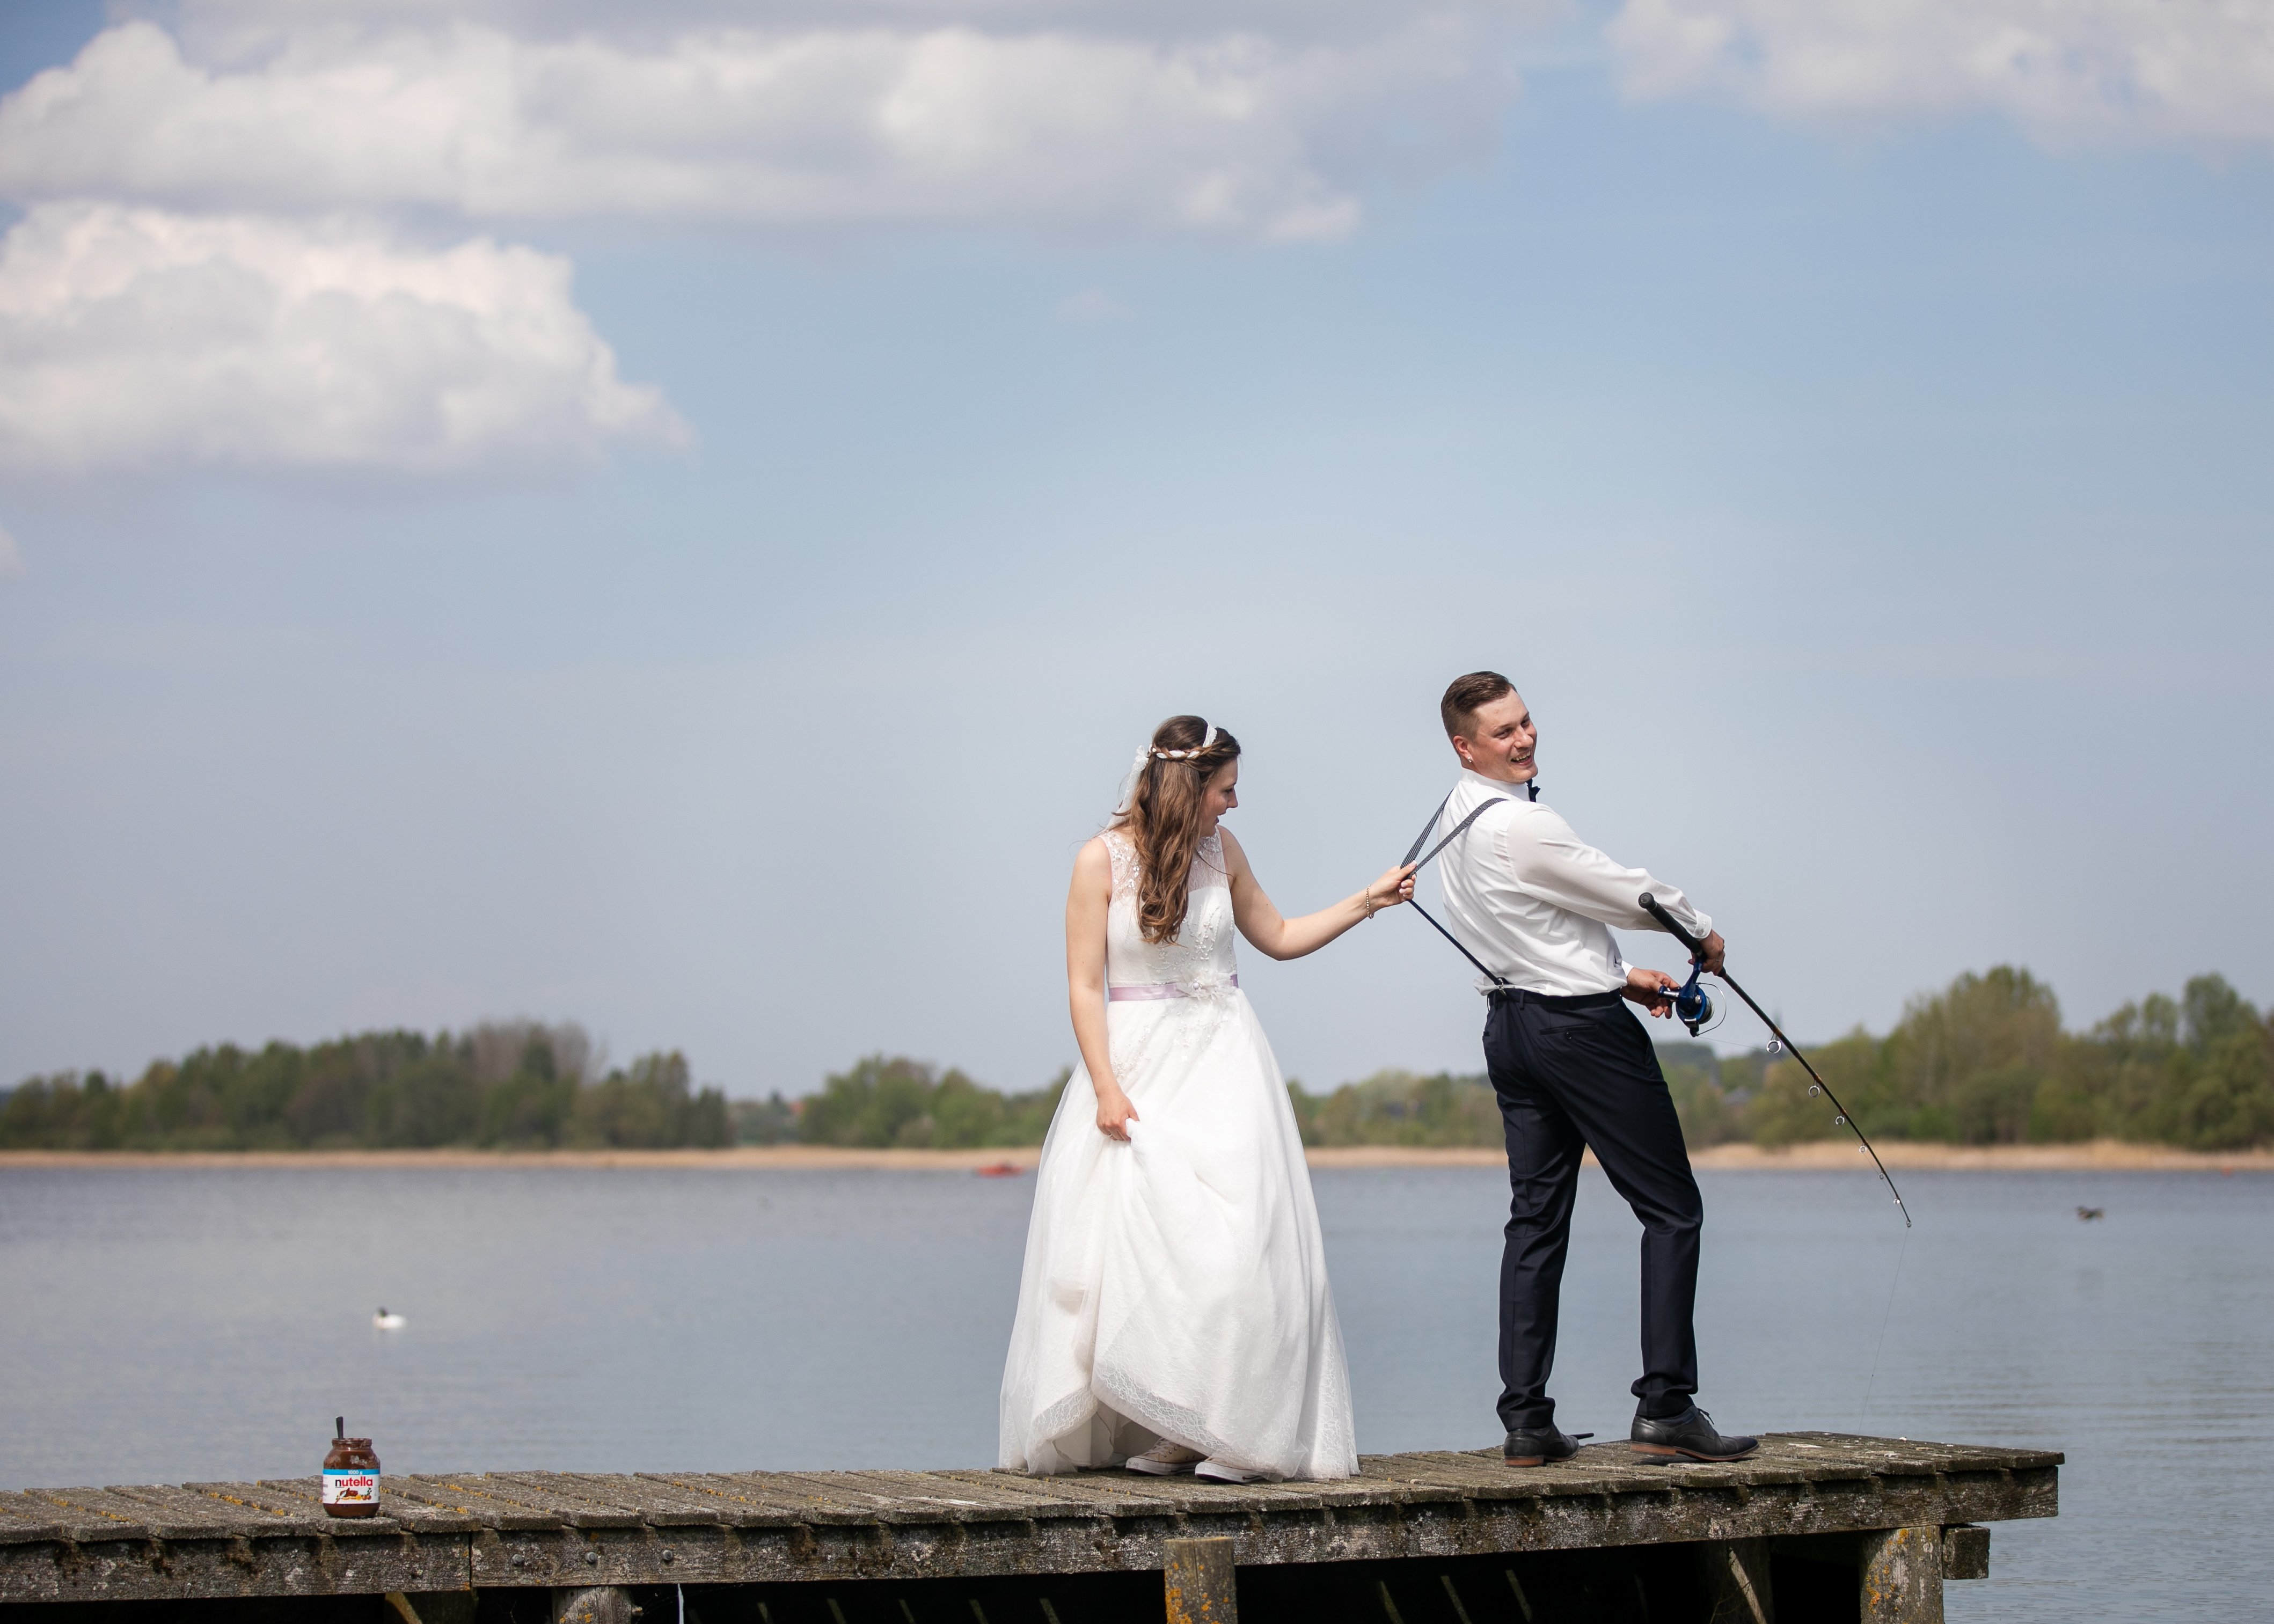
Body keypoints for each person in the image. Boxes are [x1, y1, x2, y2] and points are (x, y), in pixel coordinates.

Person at [999, 715, 1415, 1483]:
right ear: (1188, 785)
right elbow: (1083, 984)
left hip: (1226, 1064)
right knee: (1140, 1251)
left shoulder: (1223, 853)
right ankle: (1169, 1421)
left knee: (1235, 1250)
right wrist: (1105, 1086)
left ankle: (1225, 1427)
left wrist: (1368, 899)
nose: (1233, 803)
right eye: (1224, 789)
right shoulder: (1099, 861)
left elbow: (1281, 935)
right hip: (1137, 1067)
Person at [1428, 671, 1757, 1467]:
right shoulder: (1522, 824)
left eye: (1526, 720)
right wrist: (1701, 932)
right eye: (1503, 732)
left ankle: (1525, 1421)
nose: (1524, 738)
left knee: (1535, 1219)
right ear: (1463, 745)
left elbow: (1534, 927)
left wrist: (1620, 975)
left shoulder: (1449, 821)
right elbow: (1625, 891)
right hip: (1578, 1033)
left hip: (1510, 1027)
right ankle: (1666, 1408)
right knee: (1671, 1208)